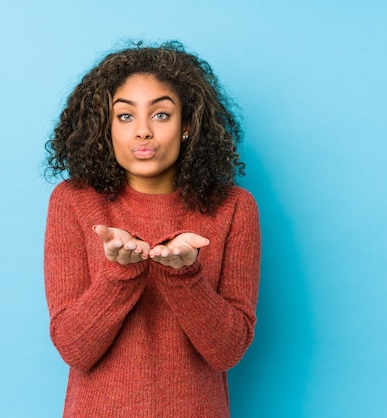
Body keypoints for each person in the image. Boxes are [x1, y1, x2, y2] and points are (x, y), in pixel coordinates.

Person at [43, 40, 260, 417]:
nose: (142, 131)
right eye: (125, 116)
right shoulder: (73, 202)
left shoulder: (234, 208)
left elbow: (228, 351)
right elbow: (74, 349)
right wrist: (120, 274)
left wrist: (185, 277)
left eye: (161, 115)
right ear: (105, 127)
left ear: (188, 126)